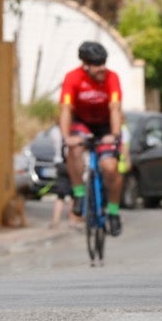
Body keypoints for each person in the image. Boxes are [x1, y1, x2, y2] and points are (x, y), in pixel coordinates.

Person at [58, 41, 126, 236]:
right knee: (75, 148)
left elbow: (115, 108)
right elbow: (65, 109)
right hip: (83, 122)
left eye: (104, 62)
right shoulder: (73, 78)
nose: (102, 68)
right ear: (85, 64)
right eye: (97, 64)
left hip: (105, 124)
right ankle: (79, 194)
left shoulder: (112, 78)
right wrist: (66, 137)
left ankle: (113, 212)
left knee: (110, 167)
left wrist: (113, 135)